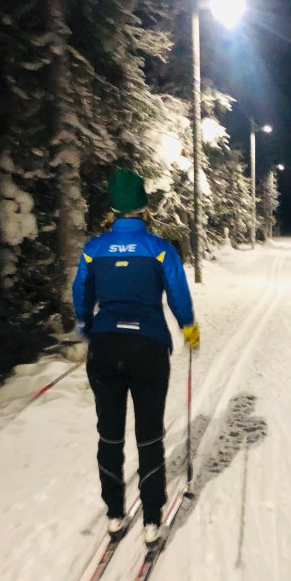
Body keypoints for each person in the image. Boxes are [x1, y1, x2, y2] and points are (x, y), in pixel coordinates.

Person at [72, 168, 200, 546]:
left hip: (106, 346)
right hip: (148, 348)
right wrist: (189, 328)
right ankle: (151, 519)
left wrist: (84, 324)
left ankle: (114, 514)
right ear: (143, 207)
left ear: (113, 209)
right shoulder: (159, 248)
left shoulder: (93, 249)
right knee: (149, 435)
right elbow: (177, 293)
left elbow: (82, 292)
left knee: (108, 435)